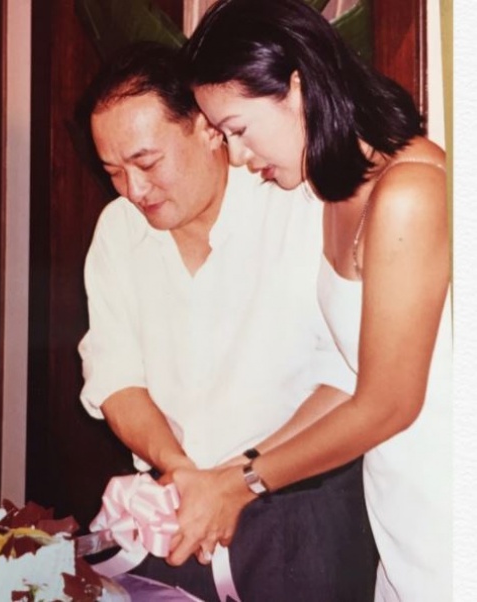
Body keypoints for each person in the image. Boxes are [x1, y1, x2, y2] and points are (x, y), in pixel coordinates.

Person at [77, 41, 378, 601]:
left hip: (300, 511)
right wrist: (182, 471)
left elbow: (346, 375)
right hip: (178, 508)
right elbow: (115, 377)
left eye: (147, 163)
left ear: (208, 128)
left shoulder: (298, 206)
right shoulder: (119, 230)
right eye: (113, 171)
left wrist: (237, 480)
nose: (133, 190)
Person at [179, 1, 451, 601]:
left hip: (451, 511)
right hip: (398, 514)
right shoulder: (333, 192)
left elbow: (389, 404)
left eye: (238, 130)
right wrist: (232, 470)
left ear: (298, 87)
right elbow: (347, 380)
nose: (238, 157)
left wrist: (245, 484)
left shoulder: (410, 191)